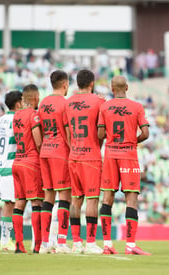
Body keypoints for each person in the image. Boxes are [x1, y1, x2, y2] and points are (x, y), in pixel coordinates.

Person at [98, 75, 151, 255]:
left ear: (112, 88)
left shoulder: (104, 107)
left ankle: (107, 244)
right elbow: (146, 133)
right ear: (127, 87)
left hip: (111, 154)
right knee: (131, 198)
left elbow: (99, 134)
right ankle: (130, 245)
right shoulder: (137, 107)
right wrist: (132, 141)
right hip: (129, 155)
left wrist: (111, 137)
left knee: (107, 198)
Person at [64, 69, 105, 254]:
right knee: (92, 199)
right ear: (92, 83)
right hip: (91, 156)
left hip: (74, 156)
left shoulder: (68, 102)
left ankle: (76, 242)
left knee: (75, 200)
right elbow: (102, 131)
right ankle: (90, 242)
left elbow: (67, 132)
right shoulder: (99, 101)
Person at [38, 70, 71, 254]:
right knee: (64, 197)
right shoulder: (65, 104)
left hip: (45, 151)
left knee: (48, 198)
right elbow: (67, 131)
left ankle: (44, 243)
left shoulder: (43, 103)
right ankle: (61, 241)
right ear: (65, 85)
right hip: (60, 152)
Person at [12, 84, 44, 253]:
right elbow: (38, 142)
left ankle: (19, 244)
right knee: (37, 202)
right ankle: (38, 245)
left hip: (17, 162)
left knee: (19, 203)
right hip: (31, 163)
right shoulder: (34, 115)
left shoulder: (16, 115)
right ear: (36, 98)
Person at [0, 90, 22, 251]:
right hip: (9, 166)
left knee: (8, 203)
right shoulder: (16, 119)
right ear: (18, 103)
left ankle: (6, 240)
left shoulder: (1, 120)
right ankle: (6, 241)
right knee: (13, 203)